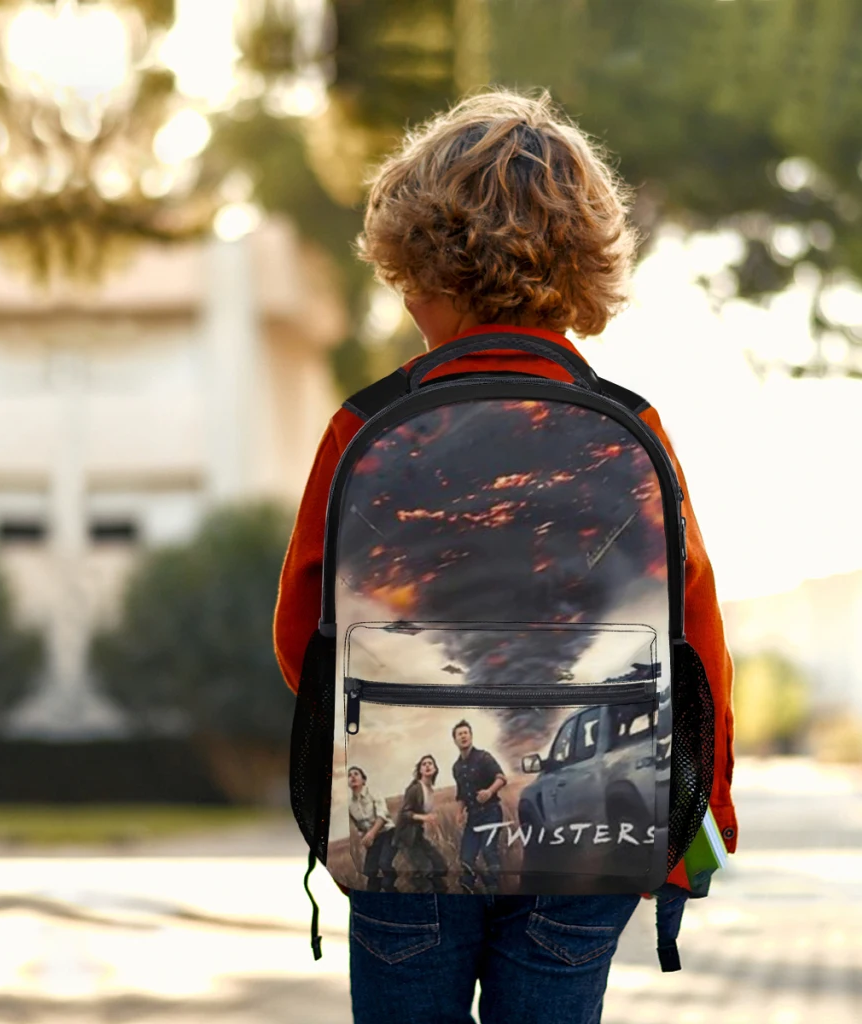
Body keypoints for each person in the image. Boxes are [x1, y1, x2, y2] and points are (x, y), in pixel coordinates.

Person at [274, 88, 737, 1024]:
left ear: (421, 269)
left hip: (405, 847)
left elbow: (300, 635)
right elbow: (695, 638)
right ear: (583, 268)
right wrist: (701, 813)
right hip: (590, 844)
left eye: (406, 278)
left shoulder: (363, 426)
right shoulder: (633, 428)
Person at [451, 720, 507, 894]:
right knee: (466, 859)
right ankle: (470, 891)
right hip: (473, 817)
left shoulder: (484, 757)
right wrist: (459, 813)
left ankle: (495, 891)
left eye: (466, 732)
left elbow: (502, 778)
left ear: (471, 736)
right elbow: (461, 794)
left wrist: (489, 792)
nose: (463, 736)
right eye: (459, 734)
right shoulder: (457, 767)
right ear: (455, 740)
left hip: (491, 812)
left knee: (488, 851)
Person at [394, 755, 448, 893]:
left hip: (417, 835)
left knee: (441, 867)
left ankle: (439, 889)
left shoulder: (430, 790)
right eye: (424, 764)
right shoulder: (415, 788)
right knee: (427, 869)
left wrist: (428, 820)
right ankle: (420, 885)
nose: (428, 766)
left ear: (435, 769)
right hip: (406, 837)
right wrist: (424, 817)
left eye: (431, 763)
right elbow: (405, 814)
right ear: (420, 770)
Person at [347, 766, 398, 893]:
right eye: (349, 775)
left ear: (363, 780)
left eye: (356, 774)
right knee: (370, 872)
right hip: (373, 839)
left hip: (388, 833)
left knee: (384, 863)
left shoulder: (374, 792)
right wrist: (365, 840)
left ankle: (392, 887)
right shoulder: (350, 805)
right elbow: (359, 827)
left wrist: (371, 833)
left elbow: (382, 816)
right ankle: (375, 899)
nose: (352, 776)